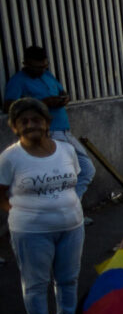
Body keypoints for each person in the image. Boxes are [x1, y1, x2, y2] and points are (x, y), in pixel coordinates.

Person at [0, 98, 84, 314]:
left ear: (47, 122)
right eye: (23, 122)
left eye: (35, 120)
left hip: (72, 226)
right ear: (14, 127)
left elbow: (75, 178)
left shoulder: (66, 150)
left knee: (68, 279)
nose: (30, 125)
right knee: (36, 283)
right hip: (31, 232)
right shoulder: (10, 158)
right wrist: (18, 211)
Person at [4, 45, 94, 199]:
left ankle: (72, 208)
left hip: (65, 131)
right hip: (46, 134)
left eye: (44, 66)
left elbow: (61, 91)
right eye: (37, 67)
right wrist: (42, 102)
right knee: (56, 176)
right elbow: (9, 106)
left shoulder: (47, 75)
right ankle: (58, 211)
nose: (41, 70)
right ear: (26, 63)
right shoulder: (18, 81)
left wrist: (64, 98)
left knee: (86, 169)